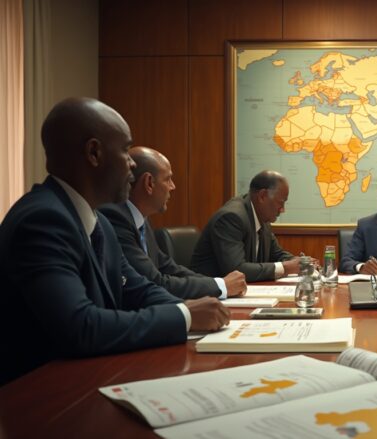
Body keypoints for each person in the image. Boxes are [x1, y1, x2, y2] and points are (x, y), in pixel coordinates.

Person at [0, 97, 229, 385]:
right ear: (94, 153)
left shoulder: (100, 223)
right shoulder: (43, 220)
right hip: (41, 398)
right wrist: (184, 315)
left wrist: (205, 315)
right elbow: (81, 327)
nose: (132, 163)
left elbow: (139, 289)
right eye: (124, 150)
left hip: (89, 376)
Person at [100, 146, 247, 300]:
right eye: (167, 179)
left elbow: (167, 267)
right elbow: (155, 282)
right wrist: (221, 286)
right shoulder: (115, 218)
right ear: (149, 183)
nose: (172, 186)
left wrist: (217, 283)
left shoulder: (140, 218)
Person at [191, 170, 300, 282]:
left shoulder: (262, 218)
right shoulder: (232, 217)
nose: (282, 209)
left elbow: (276, 254)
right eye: (281, 202)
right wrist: (285, 268)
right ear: (262, 196)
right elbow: (236, 270)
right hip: (208, 295)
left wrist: (300, 262)